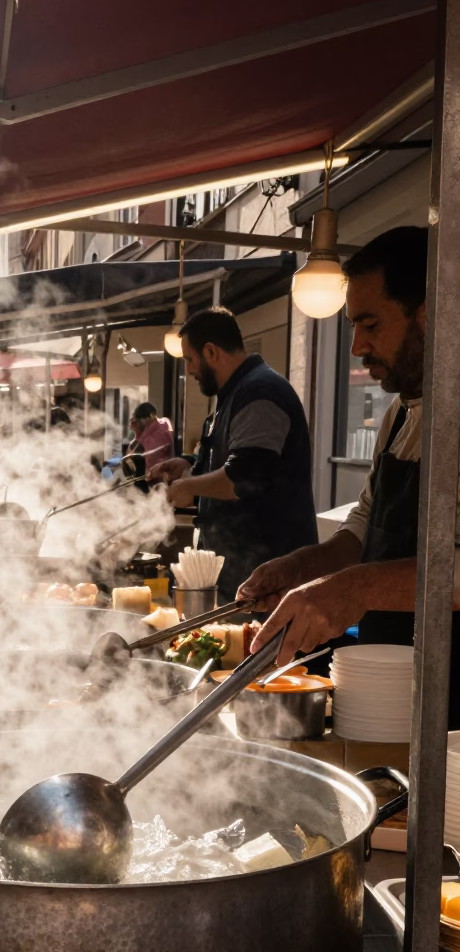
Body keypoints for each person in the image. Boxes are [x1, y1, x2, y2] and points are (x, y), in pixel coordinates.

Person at [240, 227, 460, 725]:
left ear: (429, 315)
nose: (357, 346)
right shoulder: (401, 416)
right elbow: (365, 526)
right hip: (383, 697)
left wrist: (358, 589)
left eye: (370, 324)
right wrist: (303, 567)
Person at [149, 307, 318, 603]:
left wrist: (190, 487)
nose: (187, 370)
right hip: (240, 575)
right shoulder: (234, 395)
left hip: (265, 580)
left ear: (211, 351)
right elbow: (232, 458)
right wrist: (188, 465)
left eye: (189, 359)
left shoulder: (261, 393)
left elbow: (244, 478)